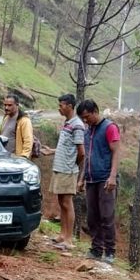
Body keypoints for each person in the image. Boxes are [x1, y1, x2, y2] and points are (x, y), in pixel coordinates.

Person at [76, 99, 120, 263]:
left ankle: (110, 252)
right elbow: (87, 156)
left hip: (105, 179)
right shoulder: (88, 131)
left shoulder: (109, 128)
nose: (85, 120)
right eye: (83, 118)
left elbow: (116, 152)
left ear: (95, 111)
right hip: (91, 179)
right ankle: (96, 249)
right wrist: (81, 179)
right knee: (92, 216)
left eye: (87, 116)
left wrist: (113, 176)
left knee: (106, 216)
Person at [51, 94, 85, 250]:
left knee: (67, 203)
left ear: (70, 106)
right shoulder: (67, 123)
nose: (59, 108)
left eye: (62, 105)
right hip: (60, 168)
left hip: (68, 170)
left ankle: (69, 239)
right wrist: (52, 151)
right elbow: (67, 147)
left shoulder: (77, 125)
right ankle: (62, 235)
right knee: (61, 202)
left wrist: (73, 166)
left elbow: (81, 152)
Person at [0, 95, 34, 159]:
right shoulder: (6, 117)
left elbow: (28, 140)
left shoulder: (24, 120)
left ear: (17, 105)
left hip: (16, 158)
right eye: (5, 105)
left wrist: (24, 156)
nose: (6, 107)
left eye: (10, 105)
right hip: (4, 157)